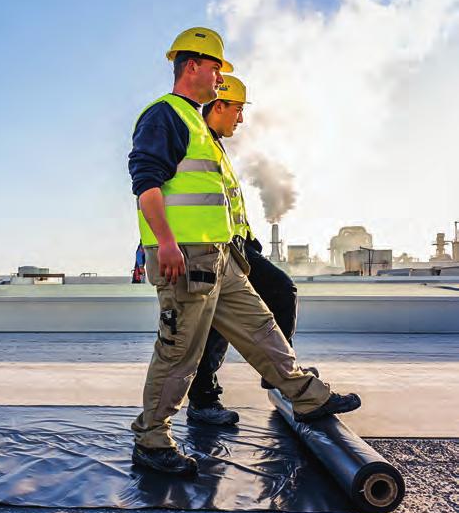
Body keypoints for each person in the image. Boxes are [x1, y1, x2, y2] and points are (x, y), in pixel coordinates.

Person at [127, 27, 361, 476]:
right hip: (188, 258)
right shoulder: (165, 116)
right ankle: (152, 439)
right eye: (216, 68)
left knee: (262, 328)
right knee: (179, 351)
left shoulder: (196, 122)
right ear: (192, 64)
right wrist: (167, 243)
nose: (220, 78)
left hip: (220, 257)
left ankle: (307, 397)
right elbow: (146, 184)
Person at [185, 75, 301, 425]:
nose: (241, 118)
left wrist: (248, 238)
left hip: (236, 246)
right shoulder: (196, 140)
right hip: (207, 246)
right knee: (216, 326)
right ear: (218, 106)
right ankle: (205, 399)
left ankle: (277, 372)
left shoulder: (214, 145)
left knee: (277, 293)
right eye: (237, 109)